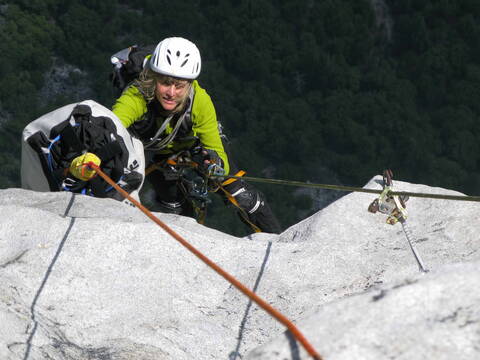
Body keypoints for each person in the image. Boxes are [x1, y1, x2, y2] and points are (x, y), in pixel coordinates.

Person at [111, 36, 281, 234]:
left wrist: (215, 163)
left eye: (180, 85)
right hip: (155, 153)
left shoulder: (200, 101)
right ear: (153, 77)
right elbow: (114, 124)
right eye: (165, 83)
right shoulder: (137, 94)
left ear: (190, 84)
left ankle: (278, 243)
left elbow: (216, 149)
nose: (171, 92)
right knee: (174, 206)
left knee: (240, 194)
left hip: (191, 144)